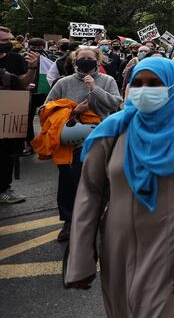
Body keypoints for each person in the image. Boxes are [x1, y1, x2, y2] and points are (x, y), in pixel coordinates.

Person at [64, 58, 174, 317]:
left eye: (155, 84)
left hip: (170, 249)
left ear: (173, 87)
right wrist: (80, 257)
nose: (144, 90)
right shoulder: (112, 130)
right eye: (138, 83)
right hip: (117, 248)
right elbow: (90, 194)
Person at [39, 46, 122, 241]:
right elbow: (45, 110)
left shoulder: (107, 80)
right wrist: (74, 111)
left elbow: (115, 104)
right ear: (75, 62)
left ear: (97, 61)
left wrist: (95, 88)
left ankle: (100, 216)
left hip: (101, 136)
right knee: (69, 180)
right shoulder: (63, 83)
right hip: (70, 140)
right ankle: (69, 220)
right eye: (81, 58)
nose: (85, 61)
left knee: (101, 179)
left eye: (89, 58)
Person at [0, 26, 31, 204]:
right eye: (5, 40)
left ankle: (4, 188)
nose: (10, 43)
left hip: (10, 107)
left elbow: (22, 82)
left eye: (11, 39)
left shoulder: (15, 58)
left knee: (7, 153)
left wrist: (32, 68)